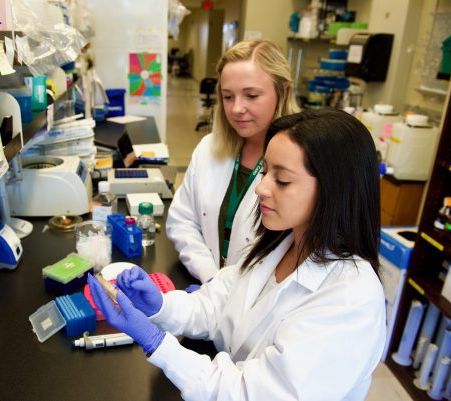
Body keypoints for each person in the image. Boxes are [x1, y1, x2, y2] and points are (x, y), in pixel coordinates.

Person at [88, 109, 386, 401]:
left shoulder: (350, 300)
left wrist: (159, 345)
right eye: (265, 171)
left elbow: (253, 393)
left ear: (335, 190)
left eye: (282, 180)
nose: (261, 188)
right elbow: (220, 304)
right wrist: (160, 307)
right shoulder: (280, 242)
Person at [166, 39, 300, 284]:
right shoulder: (209, 148)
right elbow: (182, 220)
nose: (237, 108)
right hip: (207, 288)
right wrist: (210, 277)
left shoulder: (303, 166)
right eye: (228, 97)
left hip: (260, 303)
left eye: (251, 95)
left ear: (284, 91)